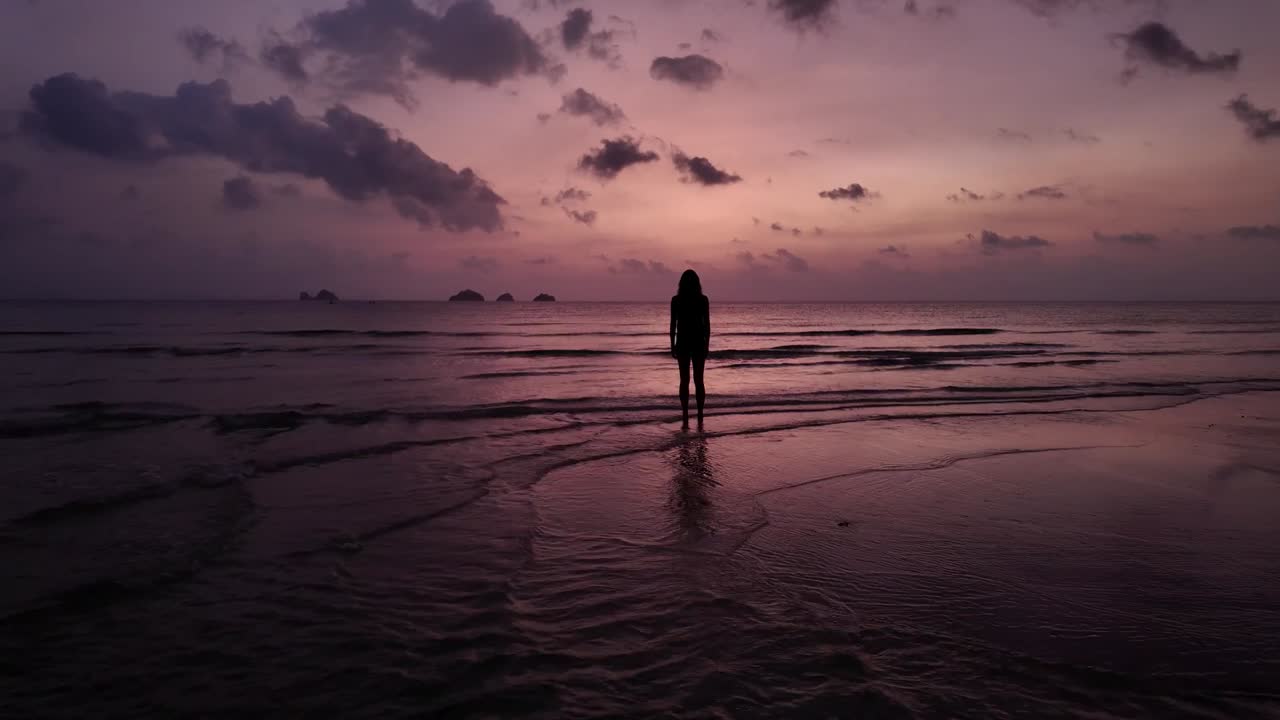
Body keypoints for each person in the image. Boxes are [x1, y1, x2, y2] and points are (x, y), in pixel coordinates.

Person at [670, 269, 710, 429]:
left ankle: (685, 415)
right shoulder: (702, 299)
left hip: (683, 343)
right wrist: (707, 344)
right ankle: (699, 414)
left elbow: (673, 325)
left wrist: (671, 344)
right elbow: (707, 325)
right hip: (698, 342)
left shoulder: (676, 300)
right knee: (698, 380)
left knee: (684, 380)